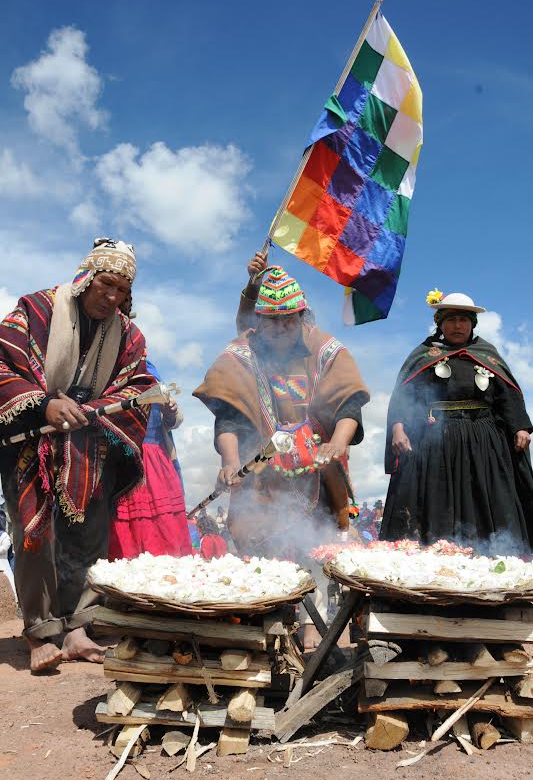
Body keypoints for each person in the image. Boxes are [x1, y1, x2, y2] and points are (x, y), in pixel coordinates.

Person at [193, 253, 369, 646]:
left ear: (302, 317)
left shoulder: (325, 350)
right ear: (259, 321)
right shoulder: (240, 354)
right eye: (273, 320)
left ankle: (314, 633)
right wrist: (231, 461)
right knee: (263, 552)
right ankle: (268, 629)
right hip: (262, 478)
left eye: (290, 319)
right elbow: (228, 416)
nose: (281, 327)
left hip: (321, 474)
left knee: (318, 547)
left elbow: (348, 406)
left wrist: (336, 447)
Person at [0, 238, 155, 672]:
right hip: (31, 442)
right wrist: (43, 402)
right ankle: (40, 631)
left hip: (90, 446)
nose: (113, 298)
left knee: (89, 534)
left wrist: (97, 412)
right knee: (36, 536)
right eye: (105, 285)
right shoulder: (36, 310)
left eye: (122, 291)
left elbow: (139, 383)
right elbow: (3, 362)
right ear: (85, 278)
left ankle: (77, 628)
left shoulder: (128, 333)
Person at [381, 290, 533, 551]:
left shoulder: (488, 355)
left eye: (463, 320)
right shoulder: (424, 356)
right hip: (435, 440)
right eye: (450, 320)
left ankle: (495, 553)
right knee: (437, 498)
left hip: (483, 441)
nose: (457, 325)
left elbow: (507, 394)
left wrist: (520, 426)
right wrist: (398, 428)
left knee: (486, 495)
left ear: (472, 324)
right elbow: (404, 395)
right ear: (440, 323)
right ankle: (438, 553)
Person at [108, 360, 192, 561]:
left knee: (166, 532)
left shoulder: (151, 369)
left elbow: (174, 420)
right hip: (125, 460)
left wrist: (170, 413)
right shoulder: (110, 369)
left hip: (156, 460)